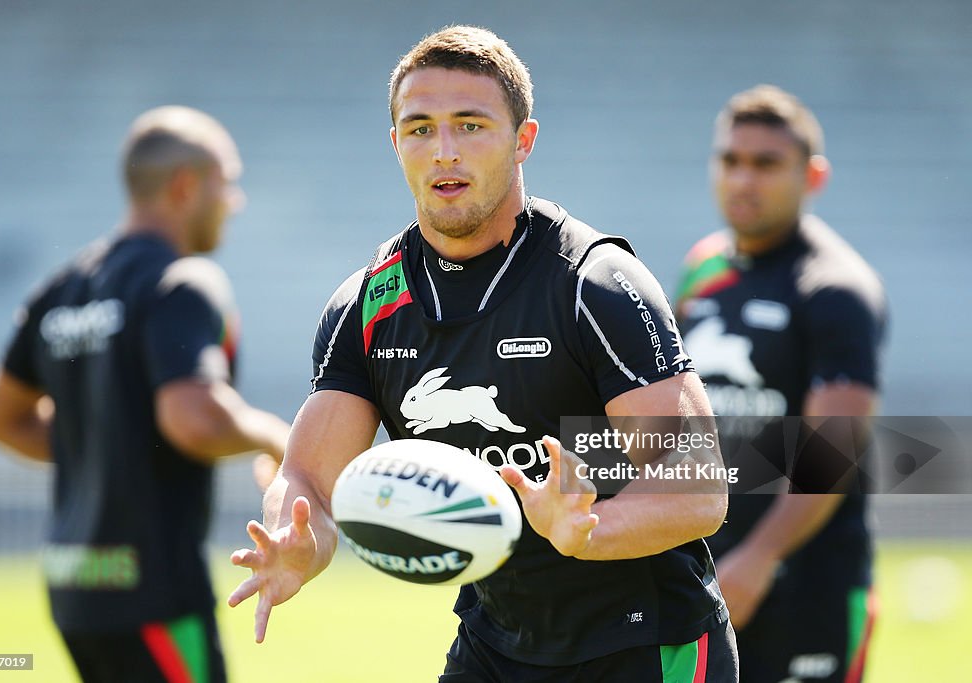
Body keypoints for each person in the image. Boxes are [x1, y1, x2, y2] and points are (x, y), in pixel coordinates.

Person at [228, 26, 737, 682]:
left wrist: (591, 527)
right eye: (420, 129)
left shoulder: (592, 283)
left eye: (470, 125)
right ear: (395, 145)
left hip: (643, 643)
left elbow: (699, 489)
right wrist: (301, 542)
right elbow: (309, 482)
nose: (444, 151)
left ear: (522, 141)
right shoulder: (369, 305)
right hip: (498, 642)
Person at [0, 105, 292, 683]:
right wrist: (275, 436)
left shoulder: (61, 288)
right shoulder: (184, 282)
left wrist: (98, 439)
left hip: (74, 584)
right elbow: (193, 418)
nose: (234, 200)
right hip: (152, 591)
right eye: (227, 182)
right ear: (185, 186)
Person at [675, 85, 887, 683]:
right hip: (708, 574)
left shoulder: (835, 288)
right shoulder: (704, 267)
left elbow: (834, 449)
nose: (744, 180)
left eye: (766, 164)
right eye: (731, 161)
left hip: (805, 585)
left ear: (811, 176)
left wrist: (759, 557)